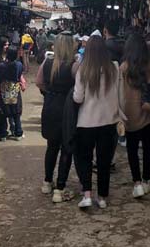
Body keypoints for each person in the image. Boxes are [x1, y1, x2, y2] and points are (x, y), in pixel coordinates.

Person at [73, 35, 123, 209]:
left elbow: (78, 98)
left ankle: (87, 194)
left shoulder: (83, 70)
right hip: (109, 121)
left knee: (85, 159)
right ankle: (102, 197)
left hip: (86, 122)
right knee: (104, 161)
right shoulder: (114, 68)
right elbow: (119, 93)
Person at [36, 33, 78, 204]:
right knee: (66, 148)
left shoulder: (47, 62)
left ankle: (47, 182)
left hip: (50, 106)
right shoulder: (73, 66)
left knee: (52, 146)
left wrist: (49, 93)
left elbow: (39, 82)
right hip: (67, 109)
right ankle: (59, 189)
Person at [120, 34, 150, 198]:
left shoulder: (123, 68)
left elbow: (119, 93)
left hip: (130, 114)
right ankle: (146, 181)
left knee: (132, 149)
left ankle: (136, 184)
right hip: (149, 114)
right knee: (148, 148)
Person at [0, 47, 24, 141]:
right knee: (16, 112)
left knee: (3, 113)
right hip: (15, 90)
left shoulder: (1, 66)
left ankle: (3, 134)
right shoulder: (19, 65)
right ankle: (18, 133)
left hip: (4, 90)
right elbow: (19, 75)